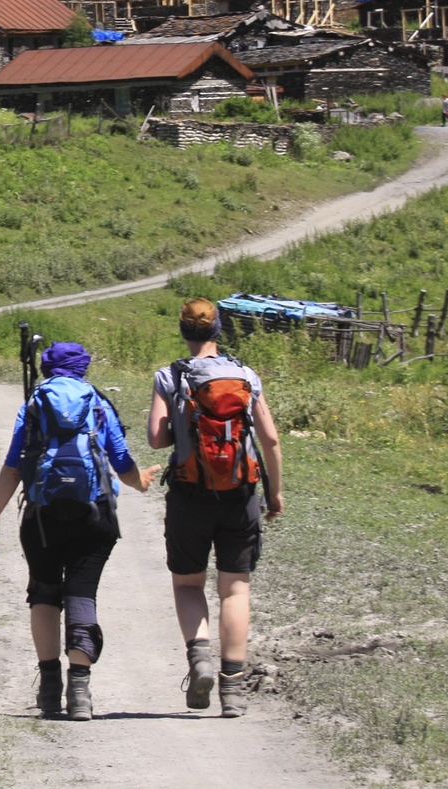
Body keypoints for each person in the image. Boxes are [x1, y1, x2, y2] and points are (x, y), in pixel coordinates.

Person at [0, 342, 156, 721]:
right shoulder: (97, 403)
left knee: (43, 592)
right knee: (82, 592)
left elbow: (14, 467)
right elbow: (121, 460)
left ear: (46, 368)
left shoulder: (33, 406)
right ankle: (80, 690)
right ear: (83, 368)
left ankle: (49, 689)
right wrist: (139, 482)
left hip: (42, 517)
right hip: (94, 516)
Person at [149, 298, 284, 718]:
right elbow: (271, 441)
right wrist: (274, 494)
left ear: (184, 331)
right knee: (235, 588)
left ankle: (200, 658)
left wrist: (182, 422)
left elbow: (156, 439)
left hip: (190, 495)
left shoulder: (170, 376)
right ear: (218, 329)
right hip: (240, 494)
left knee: (189, 585)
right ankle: (233, 689)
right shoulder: (245, 375)